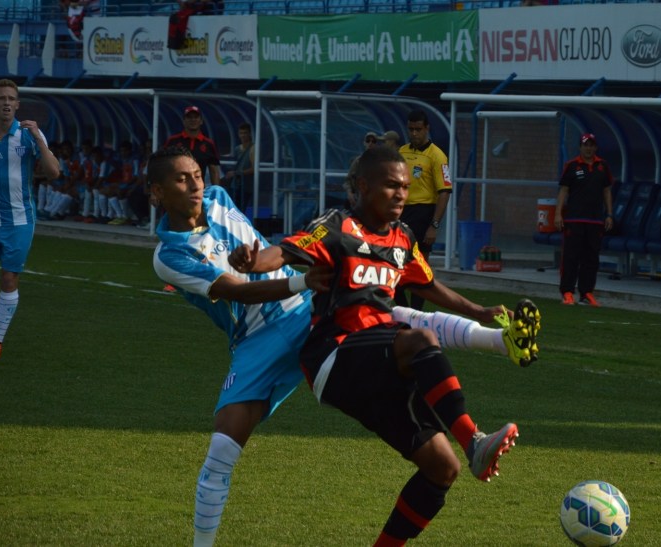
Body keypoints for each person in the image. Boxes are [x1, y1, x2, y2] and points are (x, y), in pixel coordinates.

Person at [230, 146, 541, 545]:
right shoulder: (338, 225)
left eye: (406, 187)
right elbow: (286, 251)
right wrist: (253, 262)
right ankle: (473, 441)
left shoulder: (402, 237)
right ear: (363, 186)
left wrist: (478, 310)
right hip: (335, 356)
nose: (401, 195)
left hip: (380, 367)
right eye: (392, 185)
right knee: (420, 339)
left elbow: (427, 284)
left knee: (441, 468)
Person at [148, 145, 331, 547]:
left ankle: (482, 352)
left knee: (387, 328)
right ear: (157, 192)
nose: (196, 185)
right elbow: (237, 291)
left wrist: (267, 264)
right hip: (257, 341)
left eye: (197, 175)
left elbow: (254, 252)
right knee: (221, 448)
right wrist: (303, 279)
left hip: (303, 310)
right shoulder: (169, 255)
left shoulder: (219, 196)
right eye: (182, 179)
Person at [0, 79, 60, 360]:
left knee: (9, 278)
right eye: (1, 98)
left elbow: (54, 172)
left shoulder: (29, 135)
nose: (6, 103)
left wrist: (39, 140)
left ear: (18, 104)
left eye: (11, 98)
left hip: (20, 221)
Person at [396, 109, 452, 311]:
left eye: (418, 129)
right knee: (394, 264)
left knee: (419, 268)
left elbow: (444, 191)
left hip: (423, 213)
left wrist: (434, 225)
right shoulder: (401, 152)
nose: (414, 133)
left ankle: (416, 314)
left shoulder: (437, 156)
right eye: (411, 129)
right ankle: (403, 311)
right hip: (401, 213)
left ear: (427, 128)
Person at [554, 132, 614, 307]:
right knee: (571, 257)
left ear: (596, 147)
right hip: (574, 219)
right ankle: (567, 292)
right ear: (580, 147)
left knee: (591, 258)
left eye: (591, 145)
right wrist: (558, 214)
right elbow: (563, 190)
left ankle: (587, 292)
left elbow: (606, 191)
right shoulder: (572, 166)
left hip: (595, 220)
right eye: (585, 145)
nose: (588, 148)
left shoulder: (602, 166)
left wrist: (609, 214)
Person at [164, 106, 221, 188]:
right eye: (189, 117)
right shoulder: (173, 141)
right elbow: (163, 166)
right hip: (176, 189)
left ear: (201, 121)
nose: (193, 120)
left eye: (196, 117)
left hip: (198, 189)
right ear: (184, 121)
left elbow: (214, 171)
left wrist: (216, 192)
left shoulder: (208, 144)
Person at [222, 122, 255, 210]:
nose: (243, 135)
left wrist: (236, 173)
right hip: (236, 184)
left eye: (245, 133)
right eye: (241, 133)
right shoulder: (237, 149)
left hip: (247, 185)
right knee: (233, 208)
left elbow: (254, 169)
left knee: (241, 208)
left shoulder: (253, 148)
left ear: (250, 134)